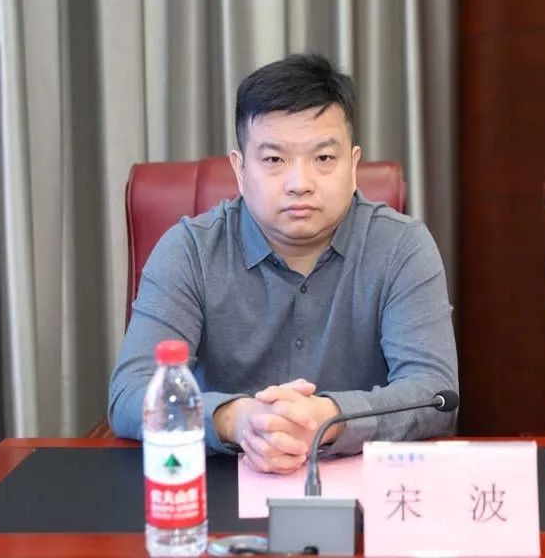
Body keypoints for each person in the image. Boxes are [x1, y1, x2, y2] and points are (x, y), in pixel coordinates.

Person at [108, 53, 458, 474]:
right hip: (219, 485)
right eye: (274, 160)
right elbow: (131, 393)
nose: (300, 184)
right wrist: (237, 420)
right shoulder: (190, 251)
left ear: (353, 165)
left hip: (367, 487)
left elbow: (435, 395)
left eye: (323, 159)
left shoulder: (402, 246)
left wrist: (328, 419)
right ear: (240, 169)